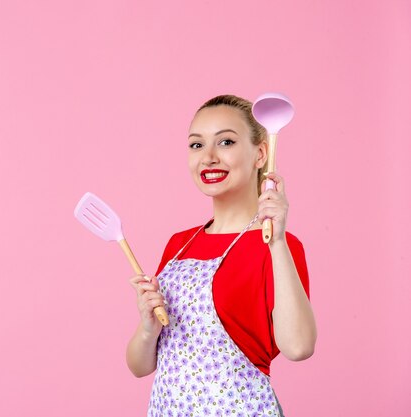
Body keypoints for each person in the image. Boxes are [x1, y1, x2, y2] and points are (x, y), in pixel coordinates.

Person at [125, 94, 317, 417]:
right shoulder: (179, 245)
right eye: (196, 145)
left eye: (225, 142)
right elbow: (140, 366)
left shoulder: (277, 244)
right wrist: (148, 328)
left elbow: (298, 347)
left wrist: (278, 241)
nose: (209, 157)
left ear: (260, 154)